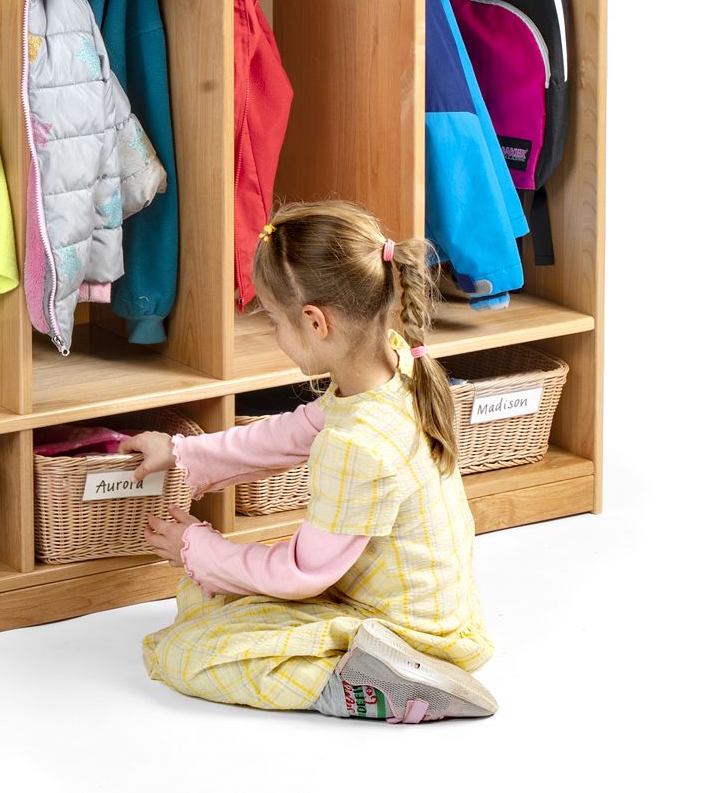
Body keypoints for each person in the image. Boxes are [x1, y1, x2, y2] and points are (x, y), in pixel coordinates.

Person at [124, 199, 498, 723]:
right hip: (427, 609)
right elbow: (289, 434)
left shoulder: (357, 447)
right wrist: (185, 452)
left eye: (274, 320)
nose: (273, 335)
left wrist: (198, 544)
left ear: (315, 321)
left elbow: (301, 573)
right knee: (203, 595)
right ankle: (376, 667)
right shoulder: (392, 364)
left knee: (186, 654)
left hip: (403, 632)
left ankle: (369, 686)